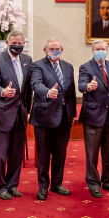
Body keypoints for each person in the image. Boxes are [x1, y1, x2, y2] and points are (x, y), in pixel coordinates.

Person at [0, 30, 32, 200]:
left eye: (20, 44)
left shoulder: (27, 60)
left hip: (20, 114)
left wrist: (27, 109)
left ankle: (12, 185)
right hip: (0, 114)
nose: (17, 46)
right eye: (14, 43)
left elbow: (28, 89)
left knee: (16, 153)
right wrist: (2, 91)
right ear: (7, 43)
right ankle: (0, 187)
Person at [30, 37, 76, 200]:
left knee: (60, 153)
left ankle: (57, 184)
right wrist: (48, 92)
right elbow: (36, 84)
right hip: (44, 116)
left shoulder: (68, 67)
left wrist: (73, 115)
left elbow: (70, 93)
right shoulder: (37, 65)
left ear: (62, 51)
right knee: (44, 154)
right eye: (51, 49)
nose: (54, 51)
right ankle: (43, 186)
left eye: (57, 49)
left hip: (64, 117)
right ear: (45, 50)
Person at [78, 39, 109, 198]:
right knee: (92, 153)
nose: (100, 51)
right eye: (97, 49)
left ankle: (108, 181)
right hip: (93, 116)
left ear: (107, 50)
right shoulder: (86, 67)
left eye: (103, 49)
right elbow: (81, 85)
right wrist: (88, 87)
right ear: (92, 51)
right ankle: (93, 183)